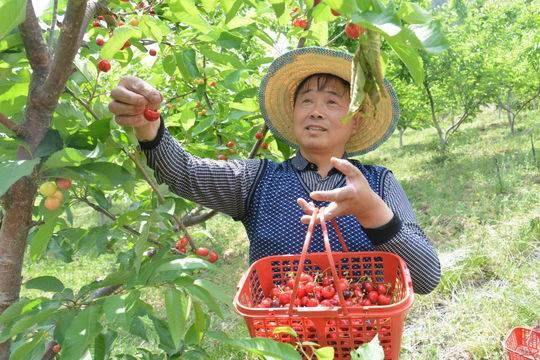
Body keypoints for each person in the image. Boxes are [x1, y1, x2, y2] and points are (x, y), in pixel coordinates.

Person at [108, 47, 441, 294]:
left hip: (366, 341)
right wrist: (147, 127)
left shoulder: (379, 183)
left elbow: (426, 277)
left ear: (355, 123)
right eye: (306, 101)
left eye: (333, 102)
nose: (316, 111)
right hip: (279, 340)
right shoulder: (257, 181)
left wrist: (374, 213)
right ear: (294, 113)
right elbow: (183, 173)